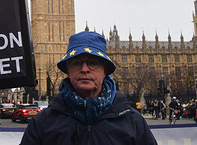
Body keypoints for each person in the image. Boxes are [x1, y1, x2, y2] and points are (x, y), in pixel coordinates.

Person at [20, 31, 157, 144]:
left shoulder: (133, 122)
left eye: (93, 63)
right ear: (68, 70)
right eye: (77, 63)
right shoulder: (42, 123)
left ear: (105, 70)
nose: (84, 69)